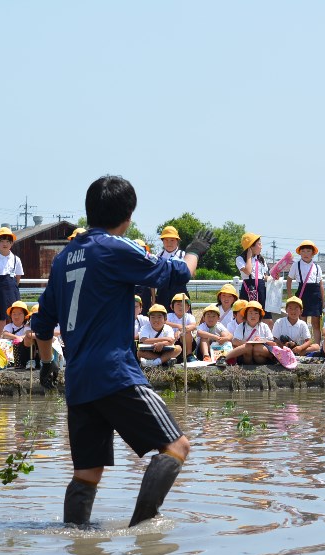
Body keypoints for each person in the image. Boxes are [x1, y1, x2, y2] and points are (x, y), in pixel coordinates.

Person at [30, 175, 213, 527]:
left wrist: (48, 363)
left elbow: (41, 323)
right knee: (178, 448)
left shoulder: (63, 258)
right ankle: (142, 531)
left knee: (86, 473)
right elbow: (174, 276)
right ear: (127, 216)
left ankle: (78, 548)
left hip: (79, 379)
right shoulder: (115, 247)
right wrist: (193, 252)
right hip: (115, 374)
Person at [0, 227, 24, 337]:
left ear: (12, 243)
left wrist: (11, 286)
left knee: (13, 317)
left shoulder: (16, 259)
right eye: (2, 241)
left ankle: (14, 342)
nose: (5, 244)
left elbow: (18, 278)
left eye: (7, 241)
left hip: (12, 291)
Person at [288, 240, 325, 342]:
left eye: (308, 251)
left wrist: (323, 302)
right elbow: (289, 280)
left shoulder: (317, 267)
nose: (305, 254)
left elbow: (321, 285)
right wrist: (290, 297)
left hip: (315, 294)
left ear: (313, 253)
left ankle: (317, 346)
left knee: (316, 322)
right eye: (303, 251)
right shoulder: (296, 265)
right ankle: (301, 346)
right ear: (299, 253)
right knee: (301, 321)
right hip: (302, 293)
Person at [154, 226, 186, 312]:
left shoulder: (183, 255)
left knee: (181, 319)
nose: (169, 243)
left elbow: (191, 273)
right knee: (162, 317)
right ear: (162, 241)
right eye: (166, 240)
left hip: (179, 292)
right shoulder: (157, 256)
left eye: (172, 240)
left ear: (177, 241)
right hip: (162, 292)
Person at [237, 233, 269, 312]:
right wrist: (249, 256)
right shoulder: (240, 258)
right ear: (251, 246)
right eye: (259, 244)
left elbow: (265, 276)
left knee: (264, 315)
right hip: (248, 288)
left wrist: (274, 277)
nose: (261, 246)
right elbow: (248, 271)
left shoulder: (261, 259)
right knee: (247, 313)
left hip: (261, 288)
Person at [1, 300, 36, 369]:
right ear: (11, 315)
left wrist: (21, 338)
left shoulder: (27, 327)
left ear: (25, 315)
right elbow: (5, 334)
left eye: (20, 314)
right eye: (14, 314)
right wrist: (17, 337)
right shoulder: (9, 326)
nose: (16, 316)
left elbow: (28, 335)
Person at [167, 293, 196, 361]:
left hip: (186, 342)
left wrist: (181, 330)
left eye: (184, 305)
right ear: (172, 306)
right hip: (172, 340)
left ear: (188, 307)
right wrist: (178, 326)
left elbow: (193, 326)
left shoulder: (189, 316)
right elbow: (164, 322)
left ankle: (189, 354)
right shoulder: (169, 316)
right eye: (178, 304)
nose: (181, 307)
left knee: (187, 332)